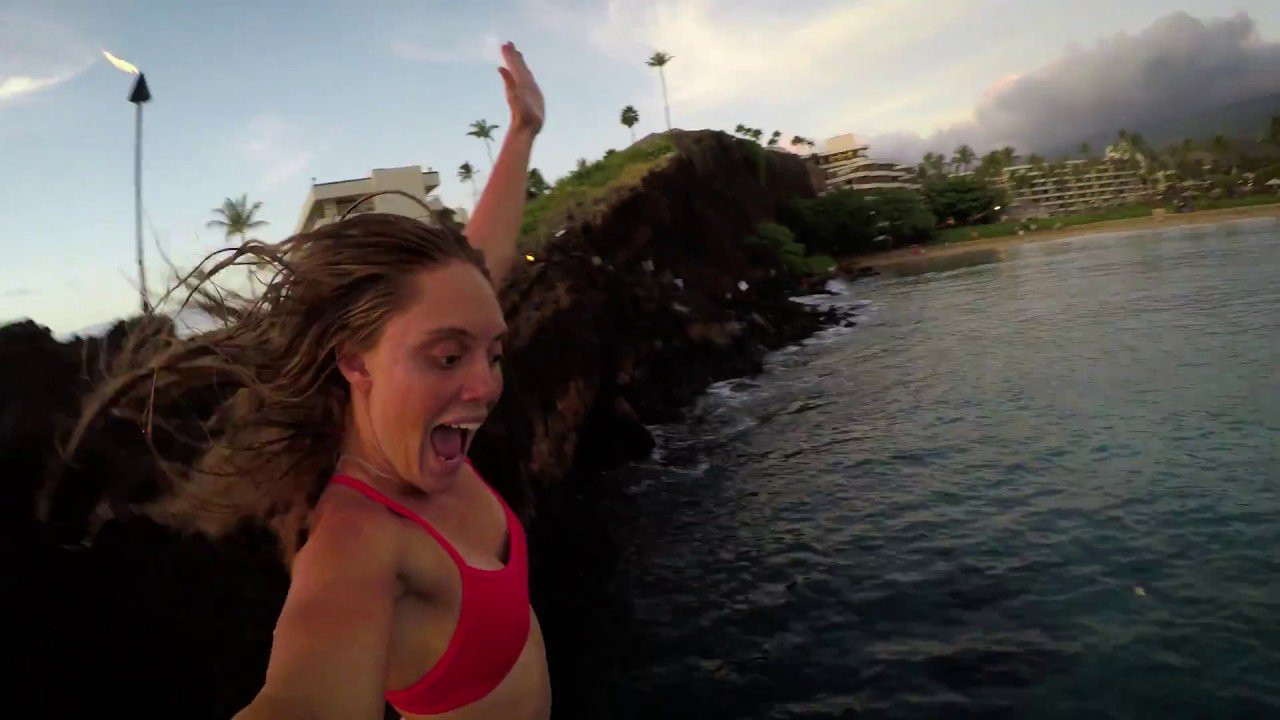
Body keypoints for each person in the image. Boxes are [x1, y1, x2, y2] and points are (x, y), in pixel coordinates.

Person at [56, 42, 549, 720]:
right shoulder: (357, 545)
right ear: (355, 360)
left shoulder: (424, 441)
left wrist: (521, 135)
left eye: (492, 354)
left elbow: (477, 272)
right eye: (446, 357)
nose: (485, 385)